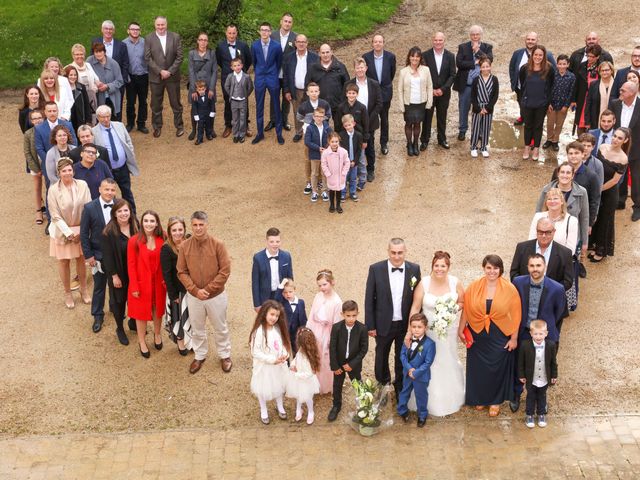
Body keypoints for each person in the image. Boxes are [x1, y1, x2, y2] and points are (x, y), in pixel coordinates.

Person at [460, 255, 521, 417]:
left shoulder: (510, 289)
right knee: (478, 368)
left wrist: (514, 338)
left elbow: (516, 315)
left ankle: (495, 400)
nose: (492, 271)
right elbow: (466, 309)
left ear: (500, 269)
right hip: (477, 334)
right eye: (488, 268)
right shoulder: (474, 286)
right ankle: (481, 398)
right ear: (483, 268)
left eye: (495, 268)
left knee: (496, 367)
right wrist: (461, 329)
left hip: (498, 333)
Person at [408, 251, 465, 417]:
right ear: (432, 266)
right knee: (428, 360)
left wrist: (452, 309)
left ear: (448, 267)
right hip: (429, 331)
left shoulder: (455, 282)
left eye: (443, 266)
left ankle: (451, 396)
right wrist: (410, 331)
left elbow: (462, 301)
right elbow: (415, 307)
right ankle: (426, 399)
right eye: (436, 265)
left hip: (448, 330)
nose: (440, 269)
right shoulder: (423, 283)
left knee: (448, 358)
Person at [365, 238, 422, 400]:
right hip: (383, 323)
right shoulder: (376, 269)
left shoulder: (414, 269)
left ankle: (400, 388)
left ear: (405, 251)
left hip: (404, 325)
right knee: (381, 355)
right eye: (393, 253)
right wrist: (371, 325)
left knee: (401, 356)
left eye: (400, 253)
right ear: (388, 251)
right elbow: (369, 299)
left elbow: (418, 299)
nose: (397, 256)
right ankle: (383, 385)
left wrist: (416, 326)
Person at [177, 211, 232, 374]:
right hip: (194, 297)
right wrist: (195, 290)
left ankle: (225, 354)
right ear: (191, 226)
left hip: (216, 296)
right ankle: (200, 355)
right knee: (197, 327)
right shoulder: (184, 246)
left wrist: (207, 290)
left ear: (207, 225)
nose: (198, 228)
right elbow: (181, 271)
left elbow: (225, 271)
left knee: (220, 327)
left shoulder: (218, 244)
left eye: (201, 225)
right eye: (195, 225)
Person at [510, 254, 565, 412]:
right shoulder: (518, 283)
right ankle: (516, 393)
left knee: (543, 365)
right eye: (532, 266)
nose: (535, 269)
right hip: (523, 332)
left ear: (545, 267)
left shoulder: (557, 288)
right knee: (519, 364)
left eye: (538, 265)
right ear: (527, 267)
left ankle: (541, 398)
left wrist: (548, 333)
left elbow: (559, 313)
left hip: (542, 335)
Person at [47, 158, 92, 309]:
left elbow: (88, 208)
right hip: (62, 232)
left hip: (81, 229)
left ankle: (84, 289)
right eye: (64, 171)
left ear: (73, 171)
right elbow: (54, 215)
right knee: (64, 262)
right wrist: (69, 233)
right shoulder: (53, 190)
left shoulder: (83, 185)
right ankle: (67, 293)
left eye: (69, 170)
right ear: (59, 173)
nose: (67, 173)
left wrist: (83, 231)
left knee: (81, 259)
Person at [80, 178, 117, 333]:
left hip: (117, 254)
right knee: (99, 286)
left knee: (116, 285)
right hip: (98, 255)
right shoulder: (89, 208)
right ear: (100, 190)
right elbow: (83, 234)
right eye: (106, 189)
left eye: (112, 190)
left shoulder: (121, 205)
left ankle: (116, 310)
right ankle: (97, 315)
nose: (109, 192)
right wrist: (89, 256)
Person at [127, 210, 166, 358]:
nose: (149, 224)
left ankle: (157, 334)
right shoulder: (134, 241)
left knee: (158, 309)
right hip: (141, 284)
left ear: (156, 223)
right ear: (141, 223)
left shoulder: (162, 238)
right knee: (141, 314)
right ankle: (142, 341)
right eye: (146, 221)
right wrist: (135, 286)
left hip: (158, 283)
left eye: (152, 221)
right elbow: (131, 265)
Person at [589, 128, 630, 261]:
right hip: (597, 187)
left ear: (625, 141)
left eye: (619, 138)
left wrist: (598, 189)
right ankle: (592, 243)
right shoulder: (602, 147)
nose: (615, 140)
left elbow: (615, 180)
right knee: (595, 215)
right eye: (615, 136)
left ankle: (600, 251)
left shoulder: (623, 158)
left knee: (605, 221)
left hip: (609, 192)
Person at [101, 199, 138, 345]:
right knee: (119, 301)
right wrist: (114, 276)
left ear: (130, 211)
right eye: (120, 211)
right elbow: (107, 257)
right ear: (114, 214)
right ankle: (120, 329)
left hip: (134, 272)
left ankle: (133, 322)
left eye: (126, 210)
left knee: (135, 298)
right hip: (119, 273)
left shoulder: (136, 225)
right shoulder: (108, 232)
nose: (123, 214)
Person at [249, 300, 291, 425]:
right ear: (264, 313)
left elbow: (284, 345)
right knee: (263, 388)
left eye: (277, 316)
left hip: (278, 365)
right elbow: (255, 352)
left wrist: (285, 355)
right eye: (272, 314)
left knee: (278, 385)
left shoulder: (277, 329)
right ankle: (263, 409)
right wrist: (272, 360)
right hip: (265, 366)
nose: (274, 318)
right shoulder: (259, 331)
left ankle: (280, 406)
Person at [91, 104, 140, 213]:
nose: (106, 119)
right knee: (109, 195)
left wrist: (130, 153)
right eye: (103, 117)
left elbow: (128, 141)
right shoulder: (94, 132)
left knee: (127, 192)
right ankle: (112, 217)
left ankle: (133, 215)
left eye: (108, 116)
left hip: (122, 167)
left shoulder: (119, 125)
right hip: (107, 170)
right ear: (98, 117)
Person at [327, 300, 368, 422]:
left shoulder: (362, 328)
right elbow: (332, 347)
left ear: (358, 313)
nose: (351, 319)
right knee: (337, 385)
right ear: (342, 314)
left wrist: (352, 364)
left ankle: (363, 405)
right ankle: (336, 405)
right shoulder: (336, 328)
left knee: (357, 384)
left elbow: (364, 349)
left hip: (353, 364)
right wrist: (334, 366)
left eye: (354, 316)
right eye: (348, 316)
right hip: (339, 363)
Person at [509, 218, 575, 293]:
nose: (543, 236)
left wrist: (550, 292)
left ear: (554, 232)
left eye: (547, 232)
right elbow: (514, 274)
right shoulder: (522, 247)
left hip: (550, 299)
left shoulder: (565, 253)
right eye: (540, 232)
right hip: (525, 296)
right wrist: (527, 288)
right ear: (536, 231)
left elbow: (568, 281)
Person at [145, 16, 184, 138]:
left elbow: (180, 57)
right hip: (156, 77)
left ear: (166, 25)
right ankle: (157, 127)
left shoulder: (175, 37)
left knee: (176, 103)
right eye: (158, 25)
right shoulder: (149, 38)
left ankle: (179, 126)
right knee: (156, 104)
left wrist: (170, 71)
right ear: (155, 25)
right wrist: (160, 71)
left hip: (172, 77)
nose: (160, 27)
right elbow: (147, 58)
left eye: (163, 25)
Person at [306, 269, 343, 394]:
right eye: (319, 285)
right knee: (313, 356)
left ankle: (325, 385)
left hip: (327, 333)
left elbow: (337, 324)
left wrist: (332, 341)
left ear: (332, 282)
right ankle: (313, 383)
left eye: (324, 284)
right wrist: (307, 330)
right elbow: (312, 314)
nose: (322, 288)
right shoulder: (318, 296)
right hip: (315, 329)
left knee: (325, 359)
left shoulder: (337, 302)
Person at [454, 25, 493, 141]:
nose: (475, 36)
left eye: (477, 34)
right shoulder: (463, 47)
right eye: (473, 34)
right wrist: (474, 62)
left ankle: (480, 132)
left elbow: (489, 60)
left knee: (480, 108)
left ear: (480, 35)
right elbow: (459, 63)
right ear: (470, 35)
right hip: (466, 84)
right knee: (463, 108)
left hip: (481, 86)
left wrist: (477, 51)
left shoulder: (487, 47)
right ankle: (462, 130)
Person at [346, 58, 382, 183]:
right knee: (352, 146)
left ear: (366, 68)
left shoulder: (374, 84)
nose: (360, 70)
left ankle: (370, 169)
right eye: (357, 67)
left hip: (370, 121)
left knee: (369, 146)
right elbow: (345, 102)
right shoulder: (349, 84)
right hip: (353, 122)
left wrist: (369, 118)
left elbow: (379, 103)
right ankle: (352, 170)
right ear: (354, 69)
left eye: (362, 67)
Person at [397, 313, 436, 428]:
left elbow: (428, 362)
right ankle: (402, 411)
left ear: (425, 328)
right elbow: (402, 356)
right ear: (410, 327)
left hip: (421, 376)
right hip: (408, 373)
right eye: (414, 327)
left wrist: (416, 372)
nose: (416, 330)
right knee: (404, 392)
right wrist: (409, 369)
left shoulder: (430, 344)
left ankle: (422, 415)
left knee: (421, 395)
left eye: (419, 327)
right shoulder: (407, 340)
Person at [509, 32, 556, 125]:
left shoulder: (547, 55)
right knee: (522, 104)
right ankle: (523, 117)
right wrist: (513, 82)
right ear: (525, 40)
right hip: (521, 87)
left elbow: (554, 72)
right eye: (528, 39)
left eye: (533, 39)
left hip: (539, 89)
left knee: (537, 110)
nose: (530, 41)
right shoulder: (517, 53)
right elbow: (512, 68)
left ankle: (535, 123)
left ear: (537, 41)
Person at [518, 320, 558, 428]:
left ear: (546, 333)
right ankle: (529, 414)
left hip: (544, 377)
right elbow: (521, 362)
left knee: (542, 396)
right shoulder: (525, 345)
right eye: (535, 334)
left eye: (541, 334)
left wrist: (554, 376)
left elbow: (553, 362)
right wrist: (521, 375)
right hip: (532, 378)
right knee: (530, 396)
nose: (538, 336)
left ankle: (541, 414)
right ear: (531, 333)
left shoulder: (550, 345)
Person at [609, 82, 640, 221]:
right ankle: (620, 201)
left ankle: (638, 206)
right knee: (619, 173)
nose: (620, 92)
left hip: (636, 149)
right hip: (617, 147)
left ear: (632, 93)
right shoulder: (615, 104)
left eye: (623, 91)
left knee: (636, 178)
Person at [420, 32, 456, 151]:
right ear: (432, 41)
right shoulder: (425, 55)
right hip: (429, 92)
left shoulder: (450, 56)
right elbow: (422, 75)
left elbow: (452, 75)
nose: (438, 42)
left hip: (443, 93)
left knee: (442, 116)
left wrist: (443, 89)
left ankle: (442, 139)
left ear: (444, 41)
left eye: (440, 40)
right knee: (427, 117)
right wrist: (431, 90)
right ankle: (425, 140)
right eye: (436, 40)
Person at [216, 24, 253, 139]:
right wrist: (229, 71)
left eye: (234, 33)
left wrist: (241, 71)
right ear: (226, 33)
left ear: (237, 33)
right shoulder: (220, 46)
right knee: (228, 101)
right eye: (229, 33)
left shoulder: (243, 45)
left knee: (243, 100)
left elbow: (249, 60)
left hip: (241, 78)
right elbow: (219, 61)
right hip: (227, 77)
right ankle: (228, 125)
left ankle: (245, 125)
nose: (231, 35)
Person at [251, 22, 284, 145]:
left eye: (267, 30)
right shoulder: (254, 45)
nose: (264, 32)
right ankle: (260, 133)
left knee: (276, 104)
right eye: (262, 30)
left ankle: (279, 134)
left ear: (270, 32)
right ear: (259, 31)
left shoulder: (276, 46)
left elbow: (279, 62)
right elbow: (254, 62)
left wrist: (273, 72)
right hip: (260, 77)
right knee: (259, 105)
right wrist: (260, 71)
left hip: (272, 77)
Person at [519, 46, 554, 161]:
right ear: (532, 55)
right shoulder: (524, 68)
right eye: (536, 54)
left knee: (538, 126)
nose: (537, 57)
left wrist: (549, 102)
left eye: (540, 55)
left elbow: (552, 86)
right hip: (527, 102)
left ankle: (536, 149)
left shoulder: (549, 69)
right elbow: (522, 83)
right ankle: (527, 147)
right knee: (528, 125)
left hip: (542, 103)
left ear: (544, 56)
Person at [160, 216, 189, 355]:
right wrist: (172, 295)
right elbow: (166, 274)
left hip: (191, 288)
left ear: (184, 229)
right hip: (177, 291)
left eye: (180, 229)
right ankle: (181, 343)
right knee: (178, 317)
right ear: (169, 232)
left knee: (190, 316)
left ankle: (191, 341)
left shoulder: (189, 242)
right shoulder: (166, 249)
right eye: (174, 230)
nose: (178, 233)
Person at [363, 34, 396, 155]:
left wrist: (385, 85)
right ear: (372, 43)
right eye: (375, 42)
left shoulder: (390, 57)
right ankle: (369, 141)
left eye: (380, 41)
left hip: (385, 93)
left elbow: (392, 73)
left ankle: (384, 143)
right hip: (371, 93)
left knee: (384, 119)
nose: (377, 44)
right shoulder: (366, 57)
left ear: (383, 43)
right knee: (371, 117)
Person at [283, 34, 318, 142]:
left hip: (310, 91)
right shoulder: (289, 57)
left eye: (303, 42)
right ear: (295, 43)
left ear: (307, 43)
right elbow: (286, 75)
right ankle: (299, 132)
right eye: (299, 42)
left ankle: (313, 132)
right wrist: (287, 90)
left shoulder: (314, 57)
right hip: (295, 90)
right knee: (297, 112)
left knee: (313, 112)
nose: (301, 44)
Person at [297, 83, 332, 195]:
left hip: (322, 133)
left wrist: (319, 121)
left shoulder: (324, 104)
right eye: (311, 91)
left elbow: (328, 115)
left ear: (319, 92)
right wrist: (309, 123)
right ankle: (309, 181)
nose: (314, 93)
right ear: (307, 93)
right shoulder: (303, 106)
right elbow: (299, 117)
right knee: (308, 158)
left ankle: (320, 181)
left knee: (322, 159)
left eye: (316, 91)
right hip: (310, 133)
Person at [398, 47, 433, 156]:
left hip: (420, 102)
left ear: (420, 58)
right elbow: (400, 90)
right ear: (409, 57)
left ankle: (415, 144)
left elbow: (429, 86)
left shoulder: (426, 70)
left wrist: (429, 102)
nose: (415, 58)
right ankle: (409, 144)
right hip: (408, 102)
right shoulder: (403, 72)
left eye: (417, 56)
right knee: (408, 124)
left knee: (417, 124)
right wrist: (401, 106)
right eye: (413, 56)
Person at [334, 84, 369, 189]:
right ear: (346, 94)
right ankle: (348, 179)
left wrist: (365, 140)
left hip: (358, 138)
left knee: (361, 159)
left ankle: (362, 179)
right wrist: (338, 139)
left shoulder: (362, 107)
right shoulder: (341, 107)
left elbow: (366, 124)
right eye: (349, 93)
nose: (351, 95)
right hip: (345, 138)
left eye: (353, 93)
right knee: (346, 159)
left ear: (357, 94)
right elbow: (337, 124)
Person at [305, 44, 350, 123]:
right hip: (320, 106)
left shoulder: (340, 66)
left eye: (327, 52)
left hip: (338, 104)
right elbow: (307, 85)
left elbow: (347, 85)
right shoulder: (313, 68)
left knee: (340, 129)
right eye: (323, 53)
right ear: (319, 54)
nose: (325, 55)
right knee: (322, 130)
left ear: (331, 52)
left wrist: (344, 102)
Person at [251, 227, 294, 311]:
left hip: (282, 295)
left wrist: (289, 294)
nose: (275, 244)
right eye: (271, 241)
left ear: (281, 241)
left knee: (283, 320)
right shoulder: (258, 258)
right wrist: (257, 304)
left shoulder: (286, 256)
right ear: (266, 241)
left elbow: (290, 278)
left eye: (277, 241)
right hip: (265, 297)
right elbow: (255, 283)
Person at [268, 13, 297, 132]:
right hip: (274, 73)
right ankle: (273, 120)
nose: (287, 24)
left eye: (289, 22)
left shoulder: (295, 37)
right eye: (285, 21)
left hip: (288, 74)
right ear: (281, 22)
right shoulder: (272, 35)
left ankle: (285, 120)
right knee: (273, 97)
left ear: (292, 24)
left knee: (287, 98)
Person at [530, 187, 579, 256]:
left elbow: (571, 249)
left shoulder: (572, 221)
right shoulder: (538, 217)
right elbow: (531, 241)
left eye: (555, 198)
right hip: (539, 258)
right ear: (546, 203)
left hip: (561, 260)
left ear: (562, 202)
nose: (552, 201)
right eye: (549, 199)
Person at [286, 327, 321, 425]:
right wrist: (292, 365)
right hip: (298, 379)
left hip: (306, 381)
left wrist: (296, 373)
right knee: (298, 395)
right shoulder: (301, 350)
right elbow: (296, 359)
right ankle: (298, 409)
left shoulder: (310, 356)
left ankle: (311, 412)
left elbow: (309, 374)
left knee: (308, 397)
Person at [188, 32, 218, 141]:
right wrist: (193, 89)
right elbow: (191, 72)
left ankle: (211, 129)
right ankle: (194, 130)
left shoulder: (212, 53)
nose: (203, 42)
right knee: (195, 108)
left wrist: (211, 88)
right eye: (201, 39)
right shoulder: (192, 54)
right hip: (196, 86)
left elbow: (214, 71)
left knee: (210, 107)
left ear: (207, 42)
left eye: (205, 40)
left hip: (209, 85)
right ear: (197, 41)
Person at [543, 54, 575, 151]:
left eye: (564, 64)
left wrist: (566, 105)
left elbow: (571, 92)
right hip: (551, 105)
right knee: (550, 123)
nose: (562, 66)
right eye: (560, 64)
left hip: (563, 105)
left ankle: (555, 141)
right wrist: (548, 103)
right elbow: (547, 89)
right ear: (556, 64)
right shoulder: (552, 74)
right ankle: (549, 139)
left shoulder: (571, 77)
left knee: (559, 124)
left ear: (568, 64)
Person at [123, 22, 149, 134]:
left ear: (140, 31)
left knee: (143, 101)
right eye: (132, 29)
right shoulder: (123, 44)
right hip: (130, 77)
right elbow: (122, 62)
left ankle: (141, 124)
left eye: (137, 29)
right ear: (128, 30)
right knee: (130, 102)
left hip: (143, 75)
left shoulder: (145, 43)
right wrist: (126, 76)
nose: (135, 31)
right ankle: (130, 123)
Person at [469, 56, 499, 158]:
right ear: (480, 68)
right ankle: (473, 147)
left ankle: (483, 147)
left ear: (490, 67)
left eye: (487, 66)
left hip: (488, 108)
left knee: (486, 128)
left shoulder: (494, 79)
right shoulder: (476, 79)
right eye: (483, 67)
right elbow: (473, 95)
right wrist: (478, 108)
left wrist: (487, 108)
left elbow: (495, 95)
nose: (485, 68)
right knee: (476, 127)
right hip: (477, 108)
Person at [87, 42, 124, 121]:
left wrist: (107, 86)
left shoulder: (113, 63)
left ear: (104, 52)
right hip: (98, 97)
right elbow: (87, 76)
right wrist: (96, 84)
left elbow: (120, 81)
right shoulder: (89, 61)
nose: (98, 54)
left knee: (113, 119)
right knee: (99, 119)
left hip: (112, 97)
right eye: (96, 52)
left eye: (100, 51)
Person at [35, 102, 77, 170]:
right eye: (49, 111)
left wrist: (70, 159)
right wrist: (49, 161)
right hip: (49, 165)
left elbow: (74, 142)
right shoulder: (39, 128)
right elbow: (39, 148)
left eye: (54, 111)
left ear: (58, 111)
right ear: (45, 112)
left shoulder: (68, 125)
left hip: (69, 164)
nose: (52, 113)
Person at [572, 45, 602, 136]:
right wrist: (573, 100)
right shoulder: (582, 66)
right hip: (582, 98)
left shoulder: (601, 67)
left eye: (592, 56)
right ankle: (580, 140)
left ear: (598, 57)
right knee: (580, 122)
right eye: (588, 56)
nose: (589, 58)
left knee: (592, 121)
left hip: (595, 100)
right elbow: (576, 84)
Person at [22, 109, 46, 225]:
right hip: (35, 164)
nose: (37, 120)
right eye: (34, 118)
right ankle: (39, 211)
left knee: (50, 187)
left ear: (44, 118)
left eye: (39, 117)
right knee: (37, 188)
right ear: (31, 121)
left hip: (47, 163)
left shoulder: (48, 131)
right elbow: (27, 153)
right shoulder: (28, 134)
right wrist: (36, 169)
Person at [304, 107, 331, 203]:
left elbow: (330, 138)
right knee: (314, 173)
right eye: (317, 116)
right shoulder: (310, 128)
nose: (319, 118)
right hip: (314, 155)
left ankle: (324, 191)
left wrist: (326, 148)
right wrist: (318, 148)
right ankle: (314, 191)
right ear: (313, 117)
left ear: (324, 117)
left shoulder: (327, 127)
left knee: (324, 174)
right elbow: (307, 141)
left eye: (321, 116)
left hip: (325, 155)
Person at [224, 57, 254, 143]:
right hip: (233, 100)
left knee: (242, 118)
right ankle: (235, 134)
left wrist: (245, 95)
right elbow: (226, 86)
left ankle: (242, 134)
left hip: (243, 100)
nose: (237, 67)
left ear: (242, 66)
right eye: (234, 66)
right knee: (235, 118)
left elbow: (250, 87)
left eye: (238, 65)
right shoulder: (230, 76)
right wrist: (231, 94)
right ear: (231, 67)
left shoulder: (246, 76)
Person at [321, 132, 350, 214]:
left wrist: (344, 172)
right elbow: (323, 164)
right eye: (332, 142)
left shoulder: (343, 152)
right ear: (329, 141)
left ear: (339, 141)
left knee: (339, 190)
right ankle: (332, 205)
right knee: (331, 190)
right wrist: (328, 174)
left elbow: (347, 162)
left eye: (336, 141)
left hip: (340, 175)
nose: (334, 144)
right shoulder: (325, 153)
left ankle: (338, 205)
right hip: (331, 175)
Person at [275, 278, 307, 352]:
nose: (288, 294)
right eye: (285, 292)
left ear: (294, 290)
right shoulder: (282, 303)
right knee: (285, 351)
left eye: (290, 292)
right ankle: (287, 363)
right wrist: (281, 285)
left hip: (297, 333)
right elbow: (276, 300)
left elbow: (303, 318)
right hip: (285, 332)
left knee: (297, 350)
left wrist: (304, 329)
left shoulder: (301, 302)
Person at [338, 114, 363, 202]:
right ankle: (343, 193)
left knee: (353, 178)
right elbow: (340, 150)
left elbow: (359, 150)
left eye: (349, 125)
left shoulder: (359, 135)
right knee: (344, 178)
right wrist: (347, 161)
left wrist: (355, 161)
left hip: (354, 162)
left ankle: (352, 193)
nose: (348, 127)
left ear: (354, 123)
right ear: (343, 126)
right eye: (346, 126)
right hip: (345, 162)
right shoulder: (341, 135)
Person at [584, 62, 615, 130]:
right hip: (595, 119)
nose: (604, 72)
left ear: (611, 71)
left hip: (613, 120)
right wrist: (587, 121)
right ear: (599, 72)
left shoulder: (617, 85)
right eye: (602, 70)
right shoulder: (594, 84)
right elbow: (588, 103)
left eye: (606, 70)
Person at [69, 44, 99, 113]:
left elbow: (96, 79)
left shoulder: (88, 65)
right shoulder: (69, 68)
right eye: (77, 54)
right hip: (77, 99)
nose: (79, 56)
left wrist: (95, 88)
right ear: (73, 56)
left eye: (81, 54)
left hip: (91, 98)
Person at [64, 65, 93, 132]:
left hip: (80, 119)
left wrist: (88, 121)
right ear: (66, 76)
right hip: (69, 120)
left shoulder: (81, 87)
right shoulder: (63, 89)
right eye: (71, 75)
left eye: (75, 75)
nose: (73, 77)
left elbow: (87, 104)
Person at [190, 80, 216, 145]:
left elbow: (212, 104)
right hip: (200, 115)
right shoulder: (195, 97)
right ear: (196, 89)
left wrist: (212, 112)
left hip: (208, 114)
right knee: (200, 127)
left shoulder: (209, 95)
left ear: (205, 89)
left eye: (203, 89)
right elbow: (194, 107)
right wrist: (196, 115)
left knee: (208, 126)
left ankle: (208, 135)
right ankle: (199, 138)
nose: (201, 91)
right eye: (199, 89)